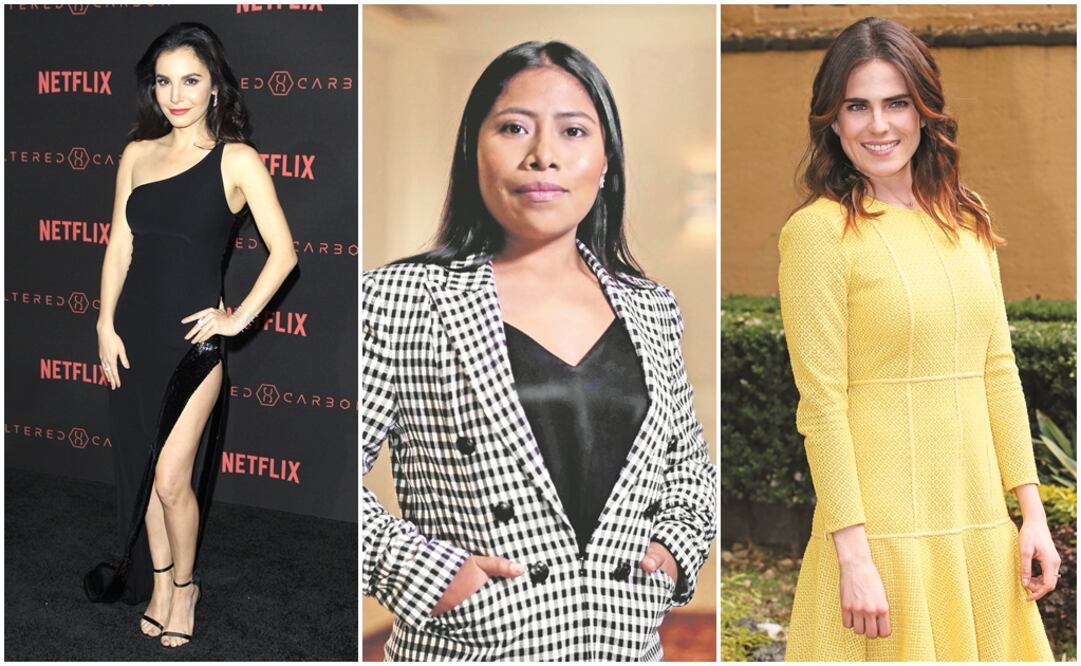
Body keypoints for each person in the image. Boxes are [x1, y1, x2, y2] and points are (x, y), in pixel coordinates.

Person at [362, 41, 716, 661]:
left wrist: (674, 551)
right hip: (477, 646)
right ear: (475, 149)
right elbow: (327, 473)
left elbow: (687, 464)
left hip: (626, 647)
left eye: (573, 131)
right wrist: (427, 575)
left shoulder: (652, 306)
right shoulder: (400, 297)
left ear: (606, 161)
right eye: (513, 128)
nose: (543, 156)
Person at [778, 17, 1058, 661]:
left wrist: (1031, 514)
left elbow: (998, 370)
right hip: (883, 536)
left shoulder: (968, 220)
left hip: (979, 525)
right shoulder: (818, 234)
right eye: (858, 106)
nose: (879, 125)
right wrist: (854, 554)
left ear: (925, 112)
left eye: (896, 102)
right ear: (833, 121)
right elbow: (820, 403)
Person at [85, 22, 297, 648]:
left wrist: (236, 318)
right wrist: (103, 321)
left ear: (214, 89)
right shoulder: (136, 154)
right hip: (130, 338)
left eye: (191, 80)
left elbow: (284, 253)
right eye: (165, 81)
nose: (176, 94)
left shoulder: (236, 160)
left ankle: (184, 589)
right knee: (147, 475)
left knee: (173, 477)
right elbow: (119, 244)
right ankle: (157, 581)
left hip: (192, 346)